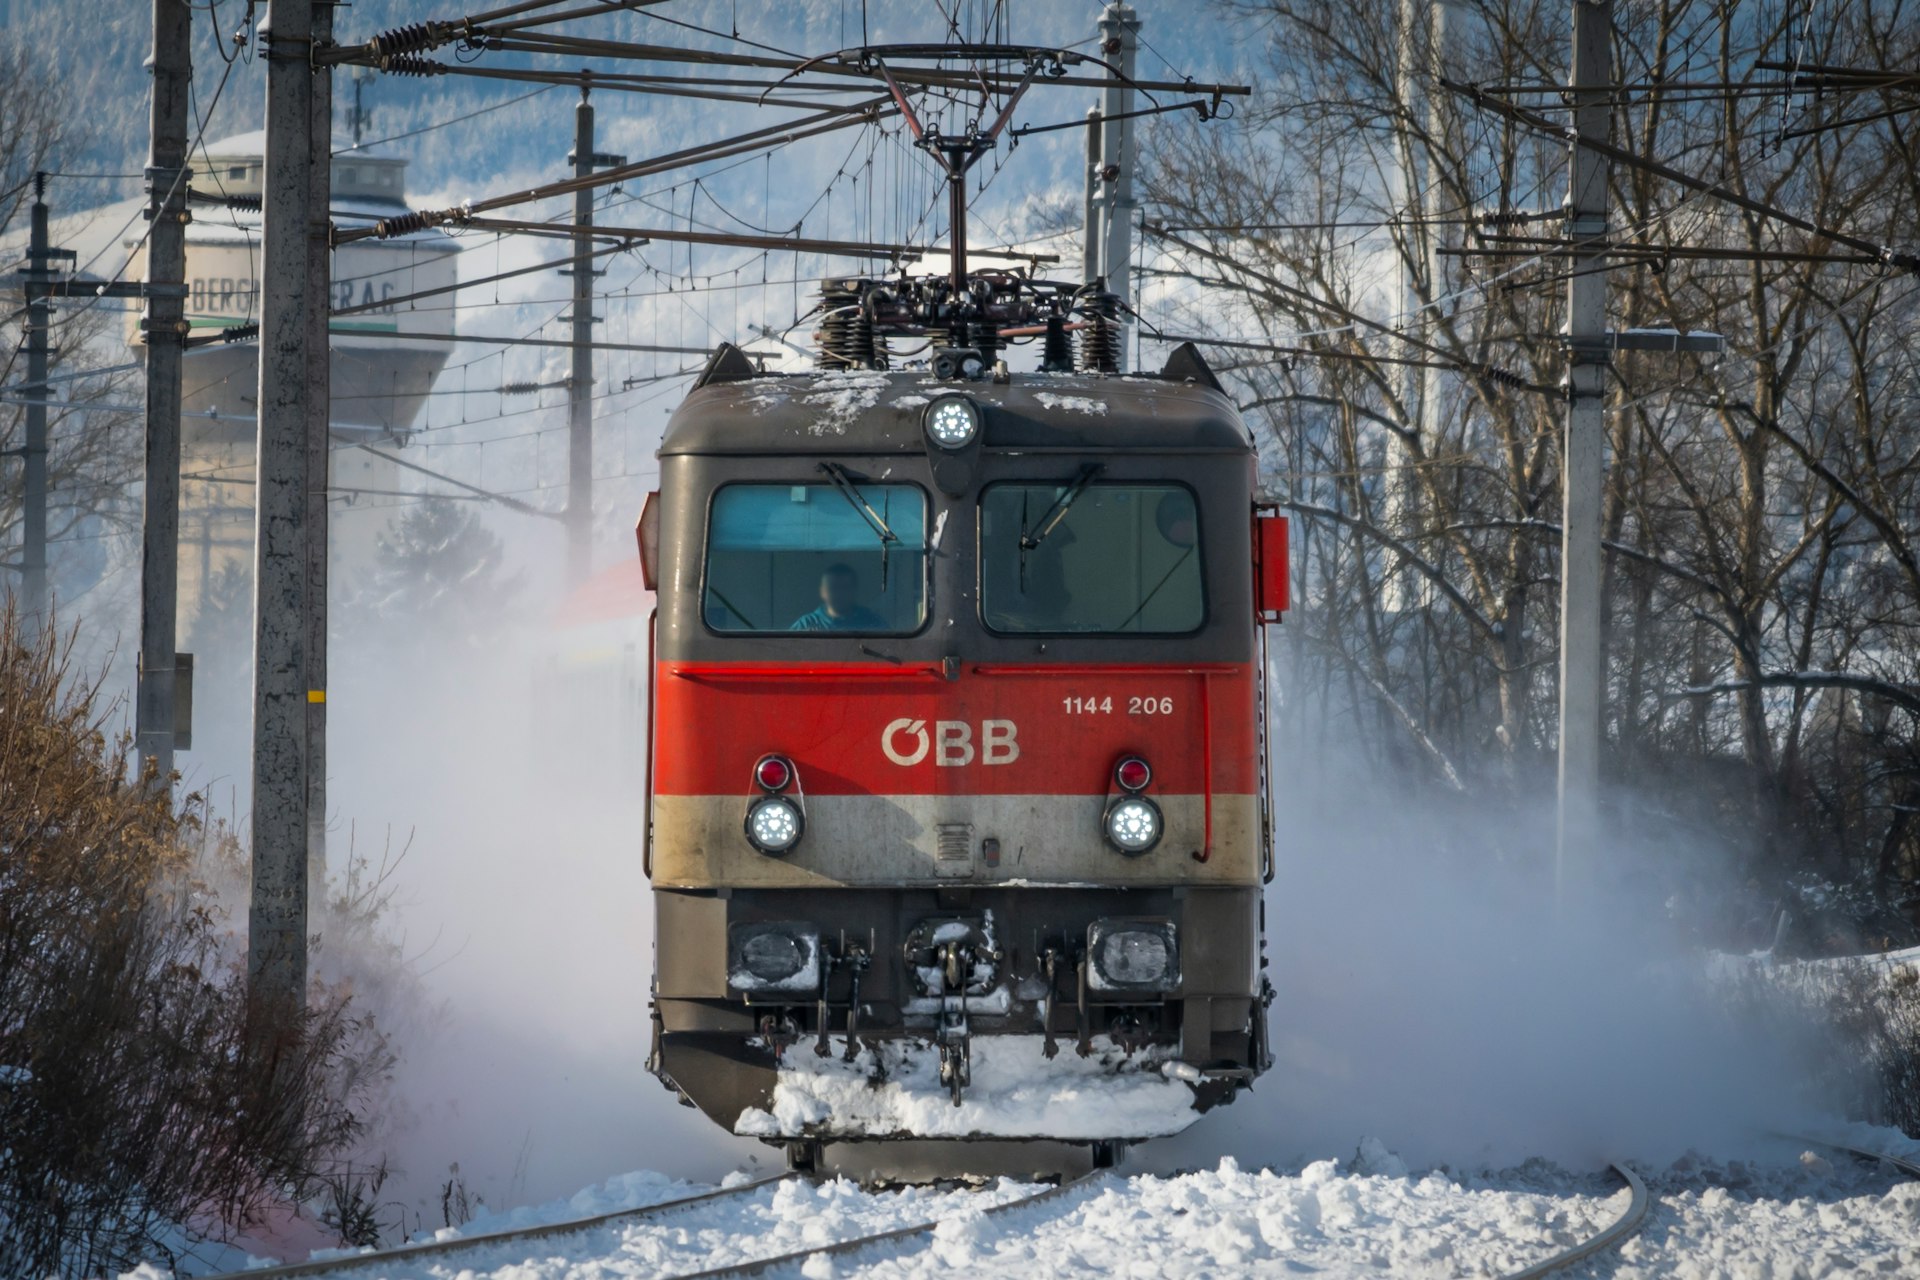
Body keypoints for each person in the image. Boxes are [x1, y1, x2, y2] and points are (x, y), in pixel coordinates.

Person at [790, 563, 886, 631]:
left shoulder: (871, 621)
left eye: (845, 587)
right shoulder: (806, 624)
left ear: (854, 590)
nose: (840, 593)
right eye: (833, 587)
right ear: (822, 591)